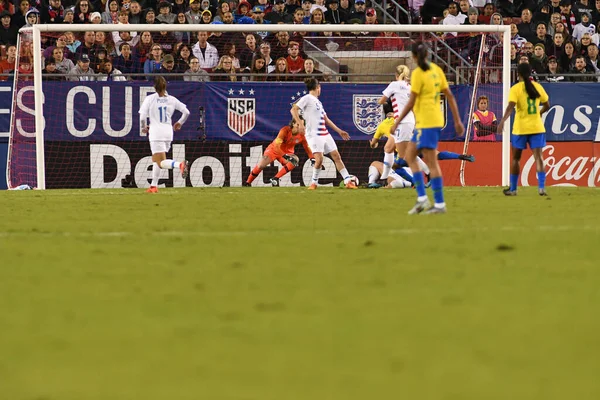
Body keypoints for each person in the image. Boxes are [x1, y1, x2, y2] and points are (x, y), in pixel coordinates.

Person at [391, 42, 465, 214]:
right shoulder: (437, 70)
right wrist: (457, 121)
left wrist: (397, 121)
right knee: (410, 156)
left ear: (414, 57)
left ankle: (438, 203)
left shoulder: (418, 74)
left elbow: (411, 101)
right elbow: (450, 96)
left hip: (427, 122)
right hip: (431, 121)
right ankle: (423, 199)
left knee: (430, 161)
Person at [291, 78, 355, 189]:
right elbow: (293, 109)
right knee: (319, 159)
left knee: (336, 156)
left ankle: (348, 181)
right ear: (317, 87)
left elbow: (326, 119)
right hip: (313, 135)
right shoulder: (307, 98)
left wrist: (339, 131)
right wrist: (300, 124)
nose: (320, 89)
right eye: (320, 87)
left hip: (325, 133)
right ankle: (313, 183)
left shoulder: (318, 102)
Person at [497, 63, 551, 197]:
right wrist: (539, 113)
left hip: (520, 128)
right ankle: (541, 188)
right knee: (539, 158)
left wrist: (503, 120)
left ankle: (513, 189)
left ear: (518, 74)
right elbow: (547, 105)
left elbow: (511, 106)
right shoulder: (538, 87)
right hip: (537, 127)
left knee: (516, 159)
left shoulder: (516, 88)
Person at [377, 65, 430, 183]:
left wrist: (380, 101)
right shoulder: (410, 87)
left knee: (404, 156)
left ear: (396, 75)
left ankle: (427, 173)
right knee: (388, 148)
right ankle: (383, 179)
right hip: (406, 121)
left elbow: (382, 100)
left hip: (403, 123)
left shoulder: (394, 84)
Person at [139, 76, 191, 194]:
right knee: (156, 159)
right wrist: (179, 123)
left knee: (161, 162)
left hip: (156, 133)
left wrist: (144, 128)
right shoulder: (171, 99)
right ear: (165, 86)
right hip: (168, 133)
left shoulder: (150, 99)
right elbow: (186, 112)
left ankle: (180, 165)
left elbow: (142, 117)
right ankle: (153, 186)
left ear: (154, 87)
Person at [244, 118, 314, 187]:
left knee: (295, 160)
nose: (300, 126)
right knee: (261, 166)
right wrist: (285, 156)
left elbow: (307, 147)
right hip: (274, 150)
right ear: (293, 124)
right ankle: (248, 183)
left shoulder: (303, 135)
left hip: (287, 152)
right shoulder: (285, 130)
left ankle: (275, 178)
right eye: (298, 124)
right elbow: (277, 146)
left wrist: (312, 158)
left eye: (302, 124)